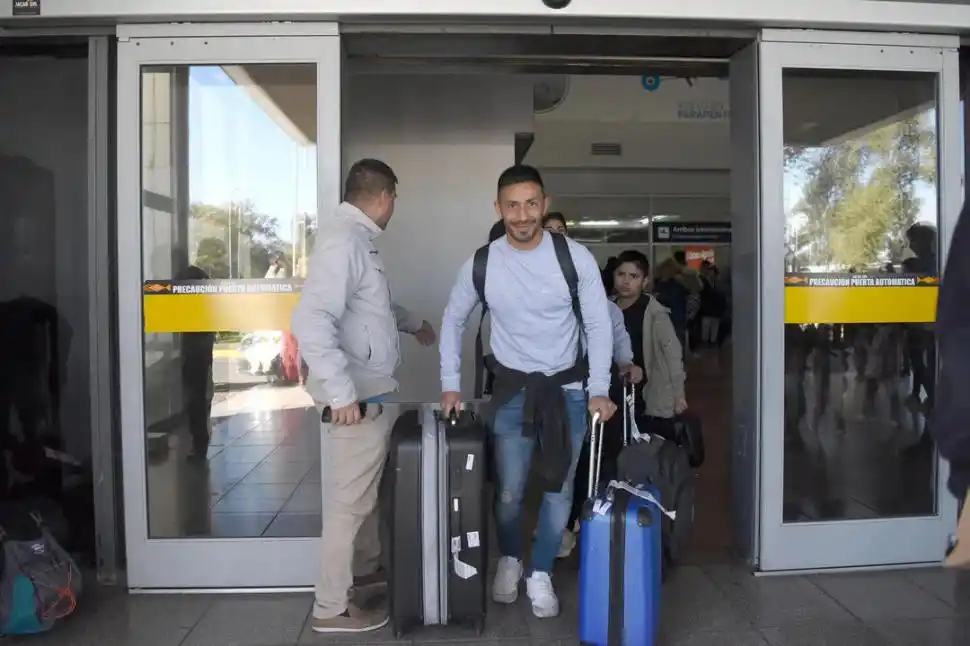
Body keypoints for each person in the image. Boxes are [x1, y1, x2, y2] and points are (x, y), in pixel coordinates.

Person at [439, 164, 616, 619]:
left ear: (545, 204)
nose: (522, 215)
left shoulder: (573, 258)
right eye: (512, 205)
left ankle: (540, 572)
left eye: (531, 204)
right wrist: (449, 385)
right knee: (509, 492)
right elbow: (453, 319)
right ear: (498, 208)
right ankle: (512, 559)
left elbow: (598, 324)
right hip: (513, 389)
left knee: (559, 490)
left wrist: (598, 388)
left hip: (569, 390)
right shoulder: (482, 263)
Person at [292, 159, 437, 634]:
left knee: (365, 498)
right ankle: (331, 607)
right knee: (348, 504)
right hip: (355, 399)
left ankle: (364, 574)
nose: (394, 207)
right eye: (394, 199)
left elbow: (369, 308)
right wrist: (341, 392)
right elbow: (312, 320)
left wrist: (413, 322)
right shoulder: (344, 242)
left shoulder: (355, 242)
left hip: (369, 393)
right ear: (385, 196)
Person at [612, 250, 687, 422]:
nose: (626, 281)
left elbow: (673, 354)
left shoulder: (656, 314)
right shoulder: (607, 309)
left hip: (647, 391)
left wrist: (679, 394)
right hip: (615, 389)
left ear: (644, 281)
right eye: (621, 274)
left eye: (634, 276)